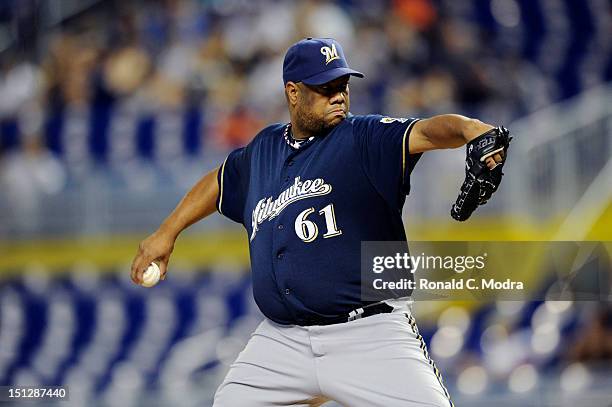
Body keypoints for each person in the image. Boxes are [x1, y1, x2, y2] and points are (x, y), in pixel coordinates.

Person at [131, 38, 508, 406]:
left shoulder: (363, 137)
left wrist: (471, 130)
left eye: (342, 85)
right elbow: (219, 180)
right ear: (293, 93)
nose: (338, 96)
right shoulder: (263, 150)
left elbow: (425, 131)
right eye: (325, 88)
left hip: (370, 334)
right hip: (283, 342)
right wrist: (166, 233)